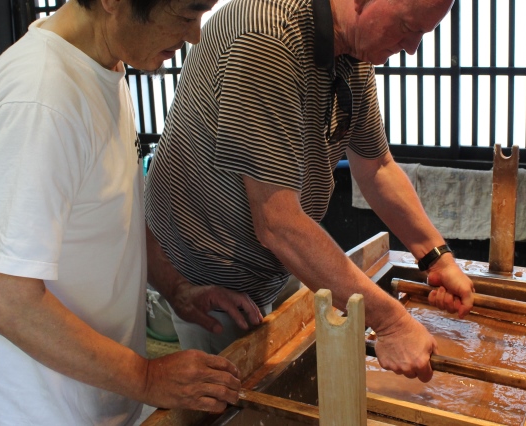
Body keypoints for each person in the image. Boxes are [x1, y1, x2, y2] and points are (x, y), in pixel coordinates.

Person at [0, 0, 257, 424]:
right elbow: (1, 299)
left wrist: (176, 287)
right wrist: (147, 378)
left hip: (98, 402)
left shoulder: (104, 67)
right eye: (186, 15)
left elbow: (116, 213)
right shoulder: (39, 98)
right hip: (38, 413)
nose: (195, 35)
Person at [145, 0, 475, 383]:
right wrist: (390, 322)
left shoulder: (351, 50)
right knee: (240, 400)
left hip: (276, 260)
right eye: (408, 27)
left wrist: (437, 258)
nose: (413, 48)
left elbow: (376, 167)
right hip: (210, 276)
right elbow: (277, 224)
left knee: (306, 375)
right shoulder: (267, 37)